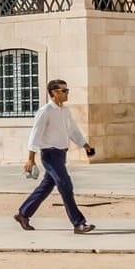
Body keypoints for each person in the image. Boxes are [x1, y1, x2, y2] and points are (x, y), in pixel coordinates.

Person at [14, 78, 97, 235]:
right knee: (65, 185)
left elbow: (73, 131)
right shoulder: (45, 111)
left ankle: (23, 214)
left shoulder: (65, 111)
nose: (67, 93)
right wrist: (31, 158)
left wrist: (86, 146)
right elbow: (35, 134)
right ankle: (79, 223)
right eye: (64, 91)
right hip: (50, 154)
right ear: (54, 92)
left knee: (46, 187)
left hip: (60, 154)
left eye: (67, 90)